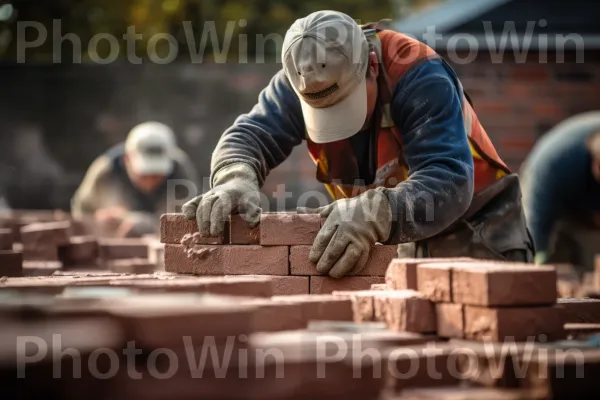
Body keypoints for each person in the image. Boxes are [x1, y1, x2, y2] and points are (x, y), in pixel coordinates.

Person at [183, 11, 533, 278]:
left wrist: (374, 214)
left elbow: (449, 179)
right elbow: (248, 136)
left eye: (344, 104)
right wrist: (234, 177)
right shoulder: (303, 78)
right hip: (403, 231)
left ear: (372, 65)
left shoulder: (419, 75)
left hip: (477, 223)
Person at [71, 121, 198, 237]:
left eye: (157, 174)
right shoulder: (105, 171)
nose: (150, 181)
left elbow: (192, 220)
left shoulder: (181, 172)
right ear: (127, 159)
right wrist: (98, 221)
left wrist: (144, 224)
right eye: (144, 173)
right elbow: (81, 211)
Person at [521, 111, 600, 271]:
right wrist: (535, 268)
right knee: (552, 260)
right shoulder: (554, 164)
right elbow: (535, 224)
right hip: (558, 198)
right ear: (596, 163)